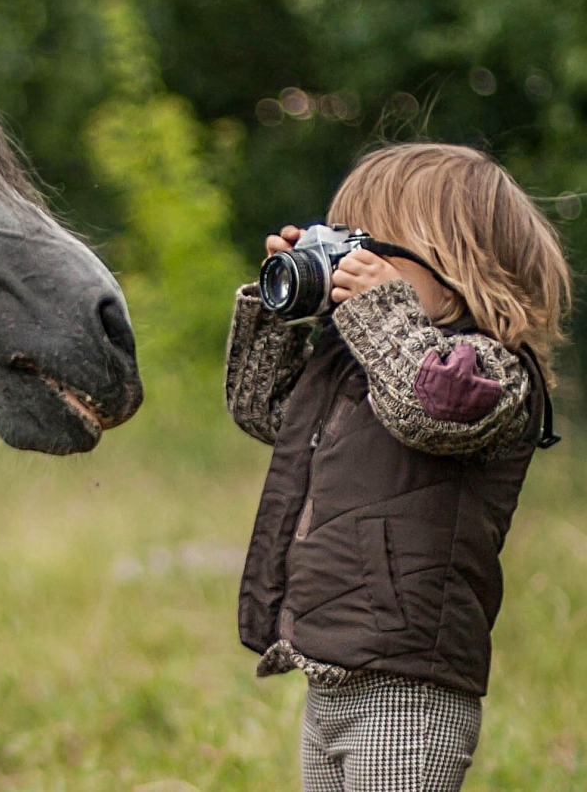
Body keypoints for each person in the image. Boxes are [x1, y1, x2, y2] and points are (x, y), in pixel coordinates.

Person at [225, 143, 570, 792]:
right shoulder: (357, 363)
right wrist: (285, 315)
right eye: (348, 245)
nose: (358, 264)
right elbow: (262, 412)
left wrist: (380, 314)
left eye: (374, 247)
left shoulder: (490, 369)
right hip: (331, 671)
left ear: (458, 258)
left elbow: (428, 408)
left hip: (410, 689)